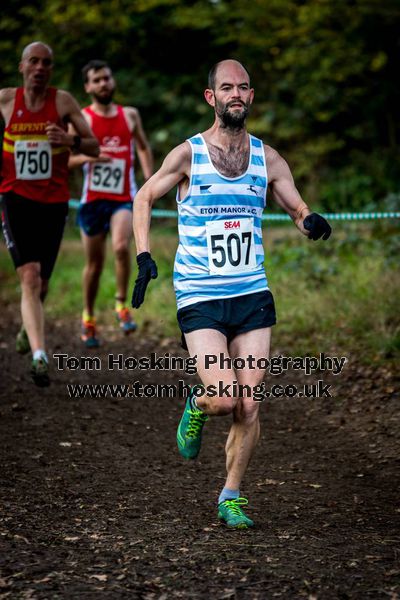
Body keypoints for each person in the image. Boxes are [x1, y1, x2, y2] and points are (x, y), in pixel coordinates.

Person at [131, 59, 332, 529]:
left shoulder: (268, 158)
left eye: (243, 87)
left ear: (251, 96)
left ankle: (231, 495)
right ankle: (197, 405)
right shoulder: (189, 155)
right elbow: (144, 197)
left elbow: (295, 205)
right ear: (211, 97)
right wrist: (144, 256)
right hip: (200, 294)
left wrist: (310, 221)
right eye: (227, 87)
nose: (235, 94)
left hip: (251, 293)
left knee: (251, 400)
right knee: (222, 398)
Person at [0, 42, 99, 386]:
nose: (40, 68)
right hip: (15, 199)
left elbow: (94, 146)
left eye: (47, 63)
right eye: (34, 61)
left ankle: (31, 328)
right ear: (22, 66)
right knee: (28, 276)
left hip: (53, 202)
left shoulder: (64, 101)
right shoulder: (6, 100)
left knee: (41, 284)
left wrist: (69, 140)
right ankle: (41, 357)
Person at [69, 60, 153, 348]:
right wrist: (90, 157)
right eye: (97, 80)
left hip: (122, 199)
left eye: (107, 77)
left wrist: (149, 182)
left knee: (120, 246)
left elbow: (142, 146)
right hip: (92, 201)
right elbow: (66, 160)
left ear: (113, 81)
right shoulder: (83, 119)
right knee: (94, 264)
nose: (103, 83)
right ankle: (89, 317)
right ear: (88, 87)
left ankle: (121, 305)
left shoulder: (129, 116)